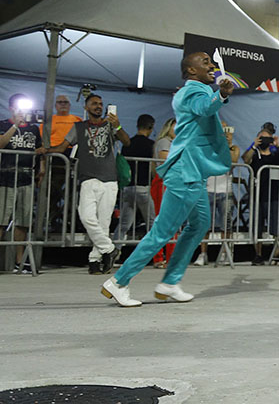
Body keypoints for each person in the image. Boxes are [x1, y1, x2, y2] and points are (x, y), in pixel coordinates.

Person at [100, 51, 234, 306]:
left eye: (211, 61)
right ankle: (118, 282)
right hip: (185, 172)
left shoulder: (197, 90)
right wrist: (222, 94)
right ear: (191, 71)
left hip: (192, 172)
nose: (212, 65)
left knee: (199, 224)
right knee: (162, 232)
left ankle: (170, 282)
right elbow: (204, 107)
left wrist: (219, 96)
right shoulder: (192, 92)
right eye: (205, 62)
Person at [46, 94, 131, 275]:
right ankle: (109, 249)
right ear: (86, 108)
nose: (98, 107)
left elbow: (126, 141)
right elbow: (62, 147)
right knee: (86, 217)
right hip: (88, 178)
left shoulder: (110, 125)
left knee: (104, 223)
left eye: (100, 104)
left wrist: (118, 125)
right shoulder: (78, 127)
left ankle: (94, 260)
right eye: (94, 104)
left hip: (109, 179)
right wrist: (45, 150)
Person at [0, 93, 43, 275]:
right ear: (11, 108)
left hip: (26, 178)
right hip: (6, 177)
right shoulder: (2, 125)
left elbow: (39, 149)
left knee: (23, 221)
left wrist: (41, 167)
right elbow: (0, 144)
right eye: (18, 107)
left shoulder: (34, 129)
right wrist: (15, 125)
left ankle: (19, 262)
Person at [195, 121, 240, 266]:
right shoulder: (209, 145)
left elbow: (232, 161)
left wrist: (226, 144)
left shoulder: (233, 148)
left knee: (225, 225)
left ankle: (225, 252)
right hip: (208, 188)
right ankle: (203, 254)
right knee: (204, 224)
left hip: (225, 190)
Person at [242, 126, 279, 264]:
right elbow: (245, 159)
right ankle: (258, 254)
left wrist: (278, 145)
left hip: (273, 194)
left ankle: (277, 252)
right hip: (258, 194)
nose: (264, 140)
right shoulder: (255, 153)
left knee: (276, 225)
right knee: (257, 226)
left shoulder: (275, 154)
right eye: (261, 137)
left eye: (267, 137)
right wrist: (253, 145)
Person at [113, 114, 156, 250]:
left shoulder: (128, 143)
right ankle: (153, 252)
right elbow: (154, 168)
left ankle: (114, 250)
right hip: (143, 187)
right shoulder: (151, 145)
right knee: (151, 222)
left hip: (128, 187)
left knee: (124, 223)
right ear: (150, 127)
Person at [40, 94, 81, 230]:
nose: (63, 104)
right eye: (60, 102)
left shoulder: (77, 119)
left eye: (65, 102)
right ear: (55, 105)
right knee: (53, 191)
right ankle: (52, 218)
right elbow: (42, 141)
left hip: (71, 156)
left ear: (69, 105)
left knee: (71, 192)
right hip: (54, 157)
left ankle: (67, 218)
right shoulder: (48, 121)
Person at [150, 118, 177, 268]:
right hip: (163, 182)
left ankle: (171, 257)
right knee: (163, 222)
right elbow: (166, 160)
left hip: (171, 183)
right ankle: (159, 257)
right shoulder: (165, 141)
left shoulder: (175, 142)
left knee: (171, 222)